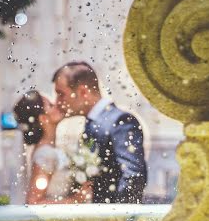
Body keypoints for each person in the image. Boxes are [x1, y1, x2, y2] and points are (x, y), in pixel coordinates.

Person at [53, 61, 147, 203]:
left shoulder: (120, 121)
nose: (57, 102)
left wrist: (117, 219)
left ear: (83, 92)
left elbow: (133, 176)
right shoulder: (91, 124)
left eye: (61, 94)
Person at [14, 90, 94, 205]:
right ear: (43, 119)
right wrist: (76, 199)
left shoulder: (46, 150)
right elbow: (33, 201)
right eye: (51, 105)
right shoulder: (45, 154)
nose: (57, 105)